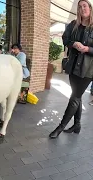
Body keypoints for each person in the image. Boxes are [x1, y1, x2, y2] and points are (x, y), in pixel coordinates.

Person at [49, 0, 93, 138]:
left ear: (90, 8)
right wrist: (73, 44)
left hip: (88, 69)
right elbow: (65, 39)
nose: (82, 9)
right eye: (79, 7)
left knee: (74, 97)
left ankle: (60, 127)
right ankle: (77, 125)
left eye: (84, 6)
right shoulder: (73, 25)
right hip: (73, 66)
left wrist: (87, 49)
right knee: (77, 95)